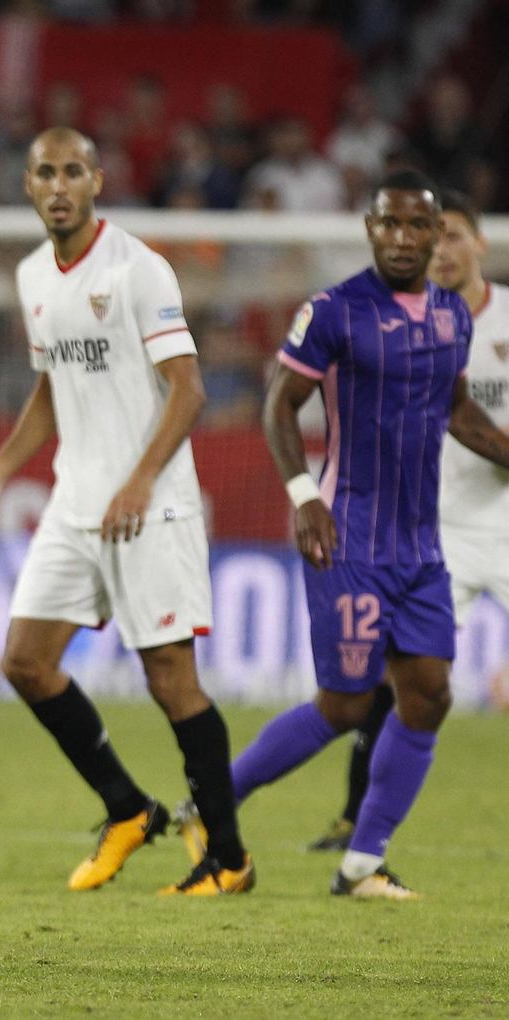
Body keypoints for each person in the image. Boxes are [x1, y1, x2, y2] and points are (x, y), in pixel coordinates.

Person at [0, 127, 252, 896]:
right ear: (27, 185)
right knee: (25, 660)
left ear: (97, 180)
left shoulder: (139, 269)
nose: (58, 185)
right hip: (76, 502)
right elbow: (51, 388)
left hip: (152, 506)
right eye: (45, 172)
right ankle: (127, 808)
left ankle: (230, 856)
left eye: (72, 171)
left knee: (170, 680)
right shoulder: (31, 277)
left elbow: (188, 388)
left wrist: (142, 479)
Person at [212, 169, 509, 899]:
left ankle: (361, 864)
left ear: (437, 235)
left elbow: (458, 409)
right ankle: (212, 802)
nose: (404, 239)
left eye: (418, 226)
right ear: (370, 230)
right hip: (349, 537)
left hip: (421, 548)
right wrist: (302, 494)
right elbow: (281, 406)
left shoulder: (453, 319)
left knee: (430, 693)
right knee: (345, 704)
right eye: (390, 225)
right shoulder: (335, 310)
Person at [304, 189, 509, 852]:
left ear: (479, 244)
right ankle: (354, 820)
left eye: (451, 236)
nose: (439, 248)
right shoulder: (415, 321)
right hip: (435, 528)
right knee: (396, 686)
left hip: (503, 524)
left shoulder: (495, 318)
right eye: (431, 234)